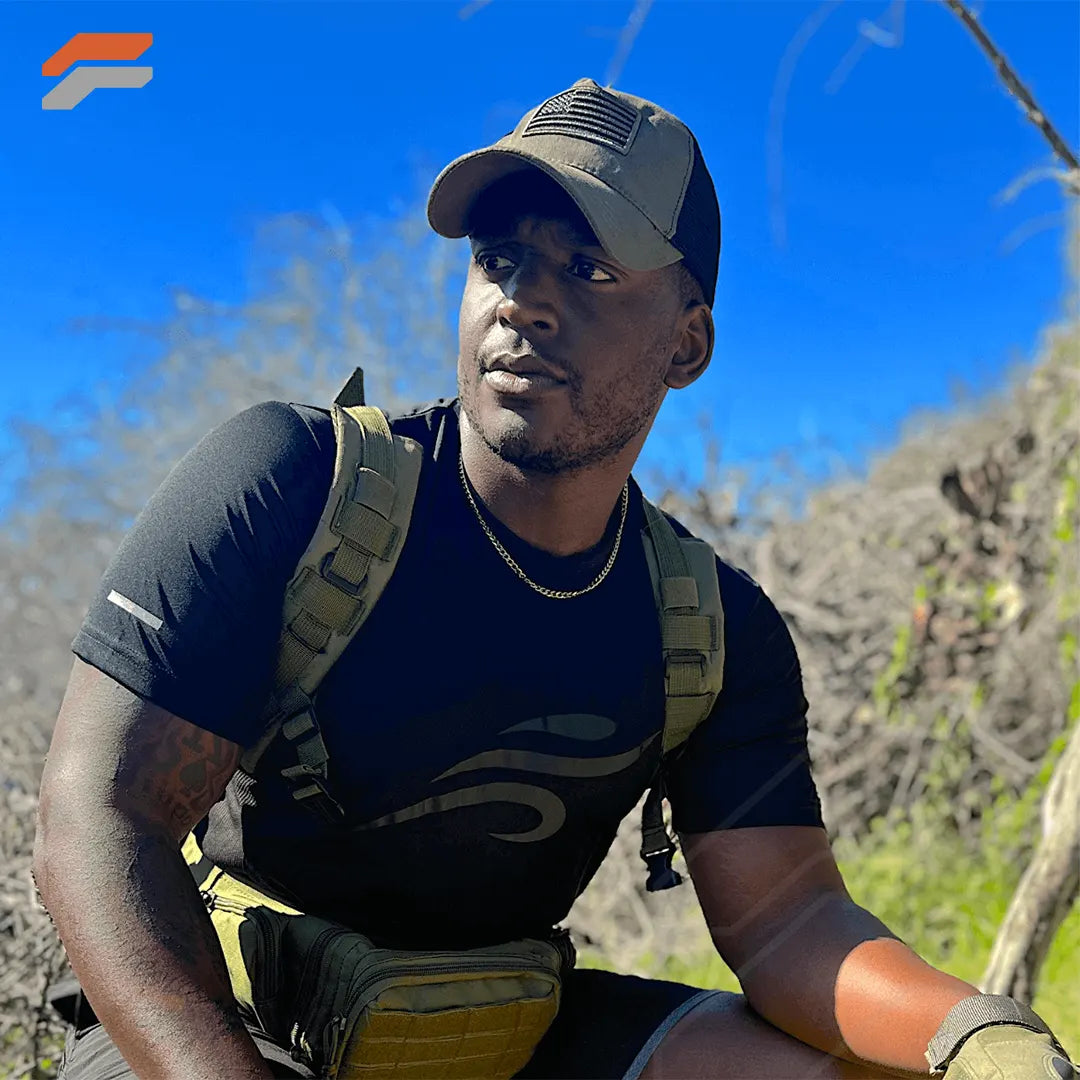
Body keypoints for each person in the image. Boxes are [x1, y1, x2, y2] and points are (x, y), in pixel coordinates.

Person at [34, 78, 1074, 1080]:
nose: (524, 302)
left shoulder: (710, 628)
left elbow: (791, 922)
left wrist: (978, 1033)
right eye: (500, 260)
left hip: (501, 1035)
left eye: (590, 271)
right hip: (232, 1026)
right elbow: (100, 816)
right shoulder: (295, 487)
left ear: (689, 341)